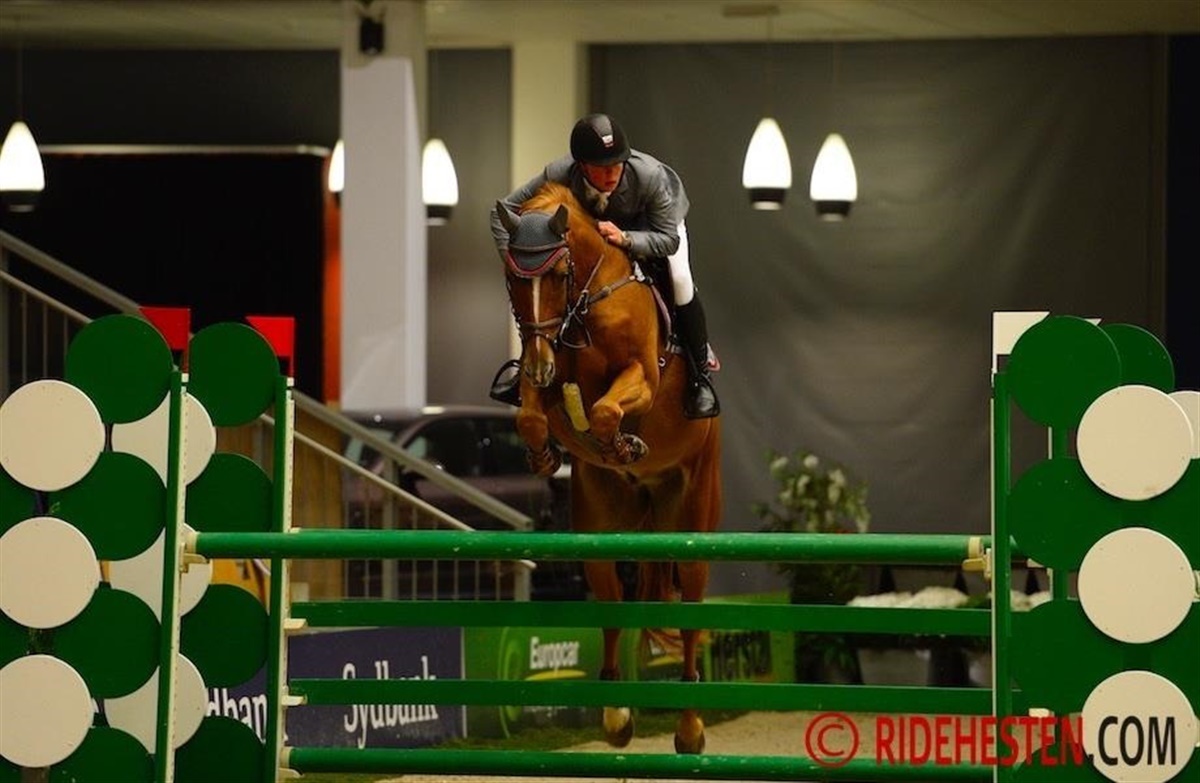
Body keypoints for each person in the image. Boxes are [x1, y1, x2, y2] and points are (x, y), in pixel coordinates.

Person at [488, 113, 719, 419]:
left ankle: (700, 375)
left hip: (655, 226)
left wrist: (626, 238)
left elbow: (668, 241)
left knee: (679, 280)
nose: (612, 173)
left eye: (617, 165)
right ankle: (528, 369)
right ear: (582, 166)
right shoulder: (559, 173)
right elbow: (501, 212)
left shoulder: (649, 177)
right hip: (600, 228)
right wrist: (515, 263)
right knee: (551, 287)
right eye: (602, 167)